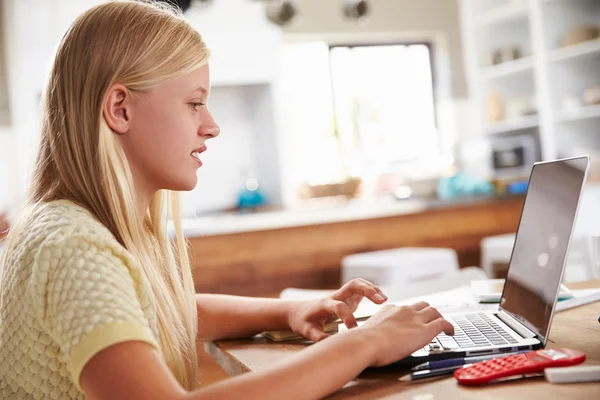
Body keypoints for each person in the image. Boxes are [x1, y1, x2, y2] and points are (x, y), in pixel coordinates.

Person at [0, 1, 454, 399]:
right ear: (120, 109)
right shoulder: (73, 248)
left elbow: (162, 309)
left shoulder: (69, 229)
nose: (212, 125)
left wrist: (289, 310)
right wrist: (364, 343)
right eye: (194, 103)